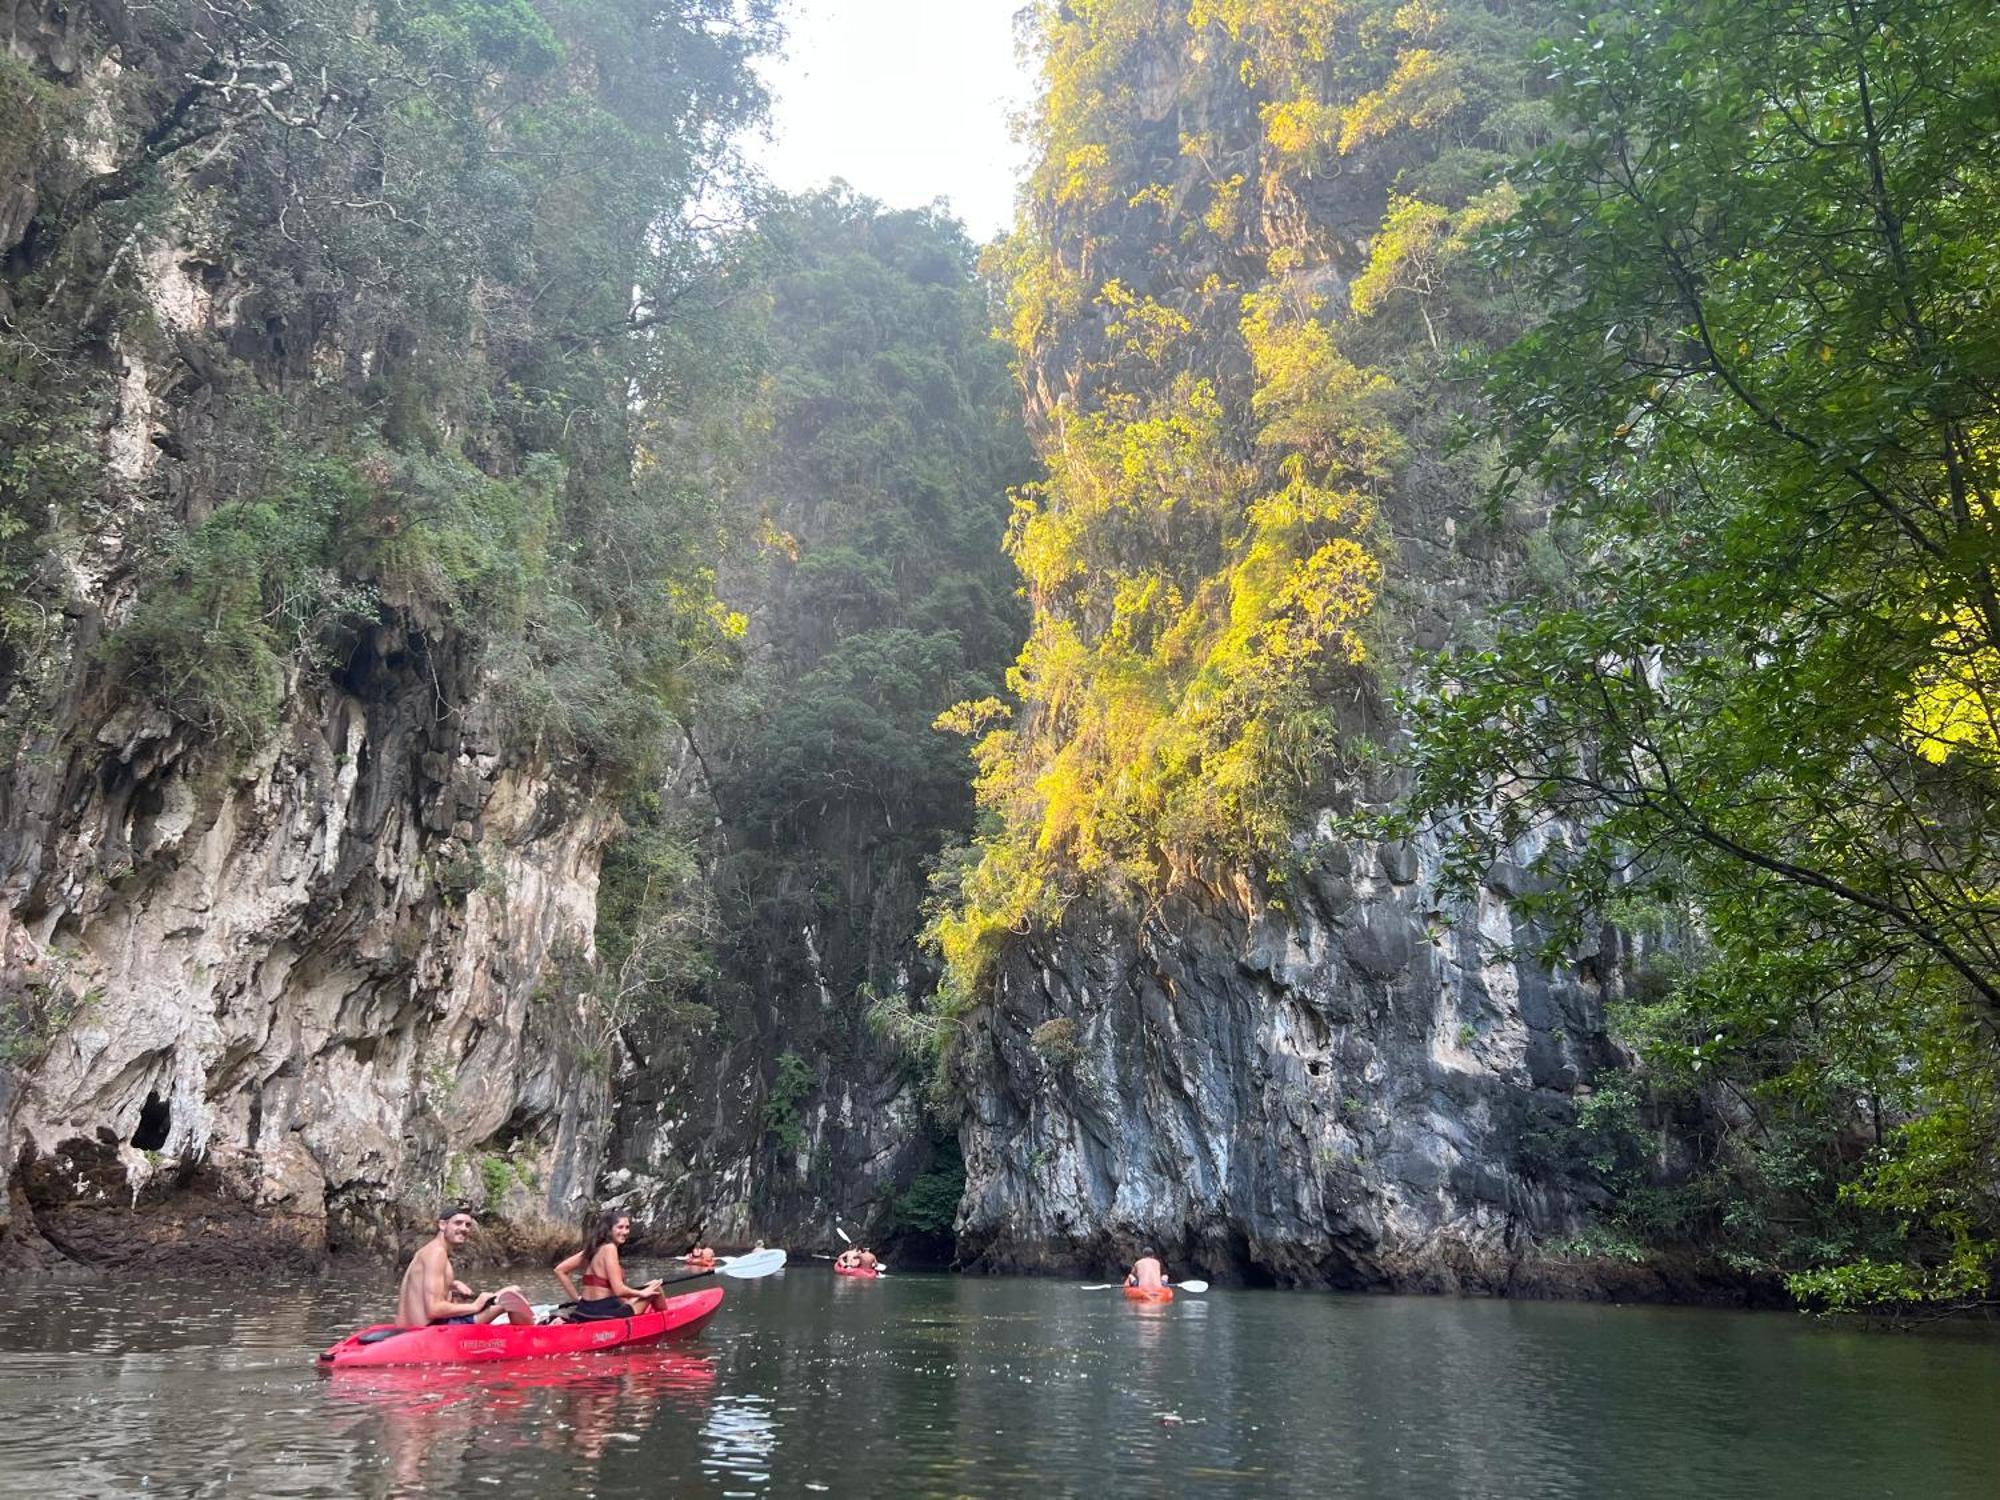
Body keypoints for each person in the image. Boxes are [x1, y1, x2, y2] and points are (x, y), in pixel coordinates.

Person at [397, 1204, 533, 1327]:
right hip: (430, 1330)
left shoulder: (429, 1250)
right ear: (443, 1225)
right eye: (458, 1223)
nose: (464, 1229)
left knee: (512, 1290)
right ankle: (532, 1339)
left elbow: (424, 1287)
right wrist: (475, 1306)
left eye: (468, 1225)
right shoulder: (437, 1253)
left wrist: (453, 1285)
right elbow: (434, 1309)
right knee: (513, 1295)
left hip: (414, 1327)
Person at [554, 1210, 668, 1319]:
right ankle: (667, 1321)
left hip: (584, 1309)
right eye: (620, 1227)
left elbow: (560, 1270)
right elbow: (619, 1290)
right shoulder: (610, 1248)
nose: (625, 1232)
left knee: (646, 1289)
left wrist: (577, 1299)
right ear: (609, 1229)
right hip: (604, 1312)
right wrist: (642, 1293)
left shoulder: (593, 1249)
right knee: (656, 1287)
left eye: (627, 1227)